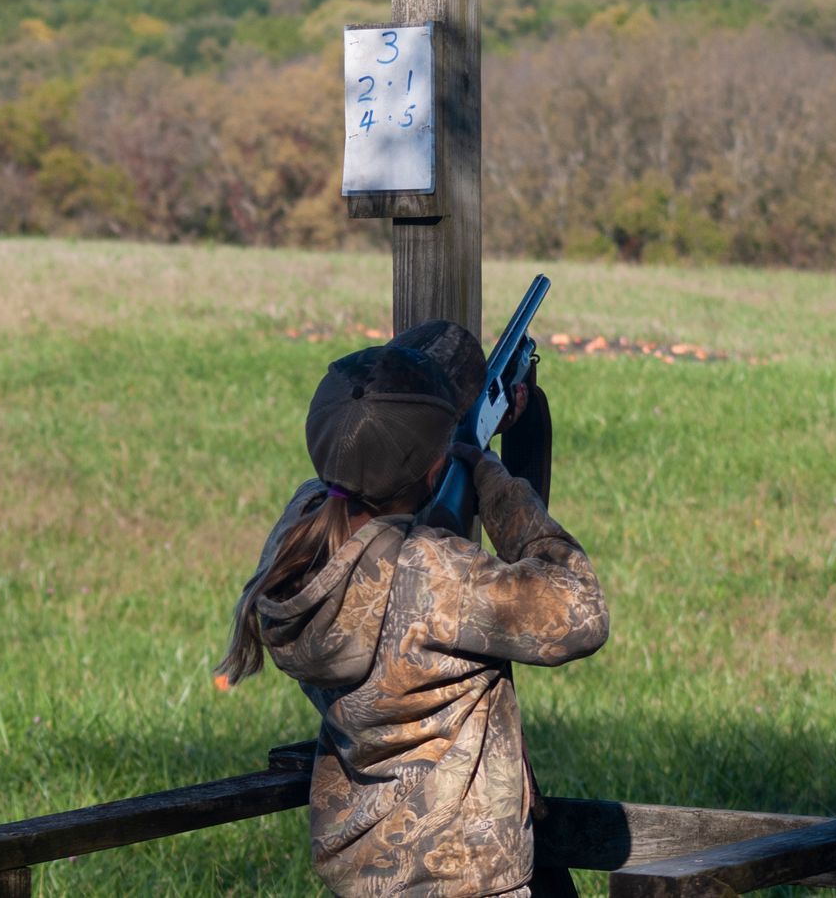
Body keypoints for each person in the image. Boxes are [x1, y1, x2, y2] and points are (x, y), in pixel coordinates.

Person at [218, 319, 608, 898]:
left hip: (365, 877)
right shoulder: (431, 573)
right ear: (435, 465)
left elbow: (361, 510)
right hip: (466, 881)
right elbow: (581, 613)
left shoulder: (295, 542)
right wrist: (488, 473)